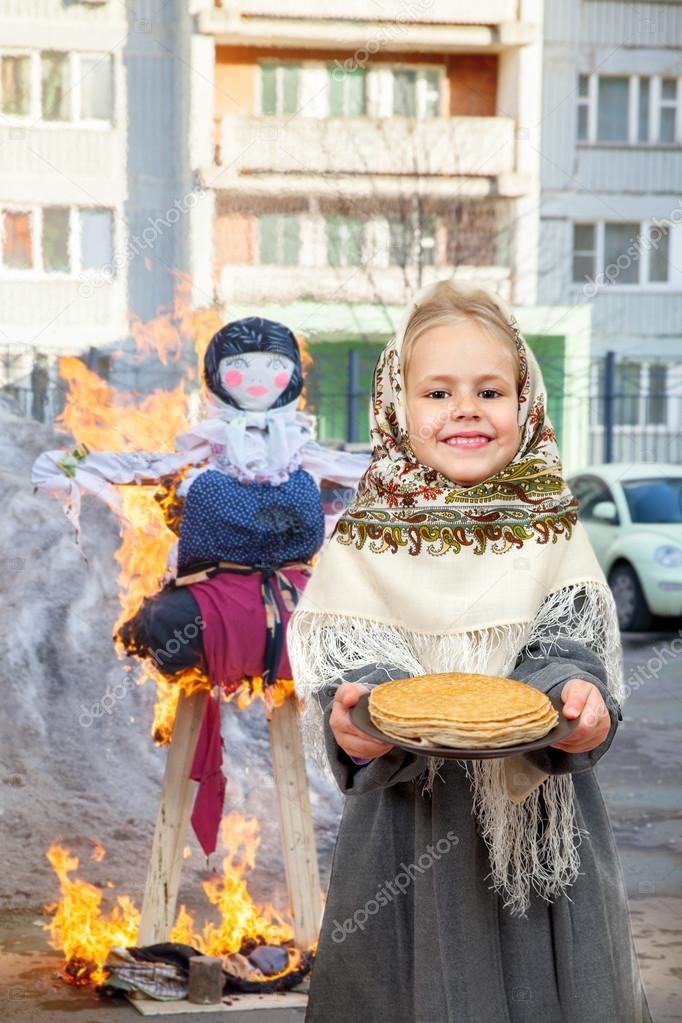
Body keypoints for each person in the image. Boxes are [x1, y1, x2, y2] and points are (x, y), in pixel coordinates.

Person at [287, 281, 652, 1022]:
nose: (465, 409)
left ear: (527, 404)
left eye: (490, 389)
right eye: (437, 391)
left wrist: (575, 703)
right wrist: (359, 724)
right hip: (407, 833)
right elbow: (356, 663)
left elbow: (569, 641)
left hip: (544, 841)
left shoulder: (550, 531)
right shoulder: (365, 538)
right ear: (396, 407)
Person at [32, 316, 368, 854]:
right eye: (240, 368)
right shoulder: (198, 453)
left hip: (296, 607)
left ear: (291, 376)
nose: (257, 379)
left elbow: (380, 469)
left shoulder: (308, 454)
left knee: (346, 633)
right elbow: (125, 466)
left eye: (272, 366)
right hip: (207, 605)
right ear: (217, 376)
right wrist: (70, 461)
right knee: (163, 624)